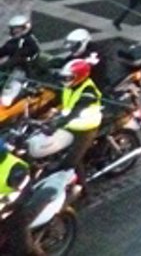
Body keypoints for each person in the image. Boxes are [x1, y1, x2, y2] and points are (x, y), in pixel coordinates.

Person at [53, 58, 103, 194]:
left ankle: (83, 191)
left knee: (71, 161)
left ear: (80, 77)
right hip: (71, 125)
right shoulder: (69, 86)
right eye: (65, 77)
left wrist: (58, 122)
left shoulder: (88, 92)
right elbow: (59, 99)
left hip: (86, 128)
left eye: (69, 78)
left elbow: (76, 111)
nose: (65, 80)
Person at [0, 135, 43, 256]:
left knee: (22, 249)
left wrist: (4, 208)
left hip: (12, 211)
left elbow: (22, 193)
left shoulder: (15, 168)